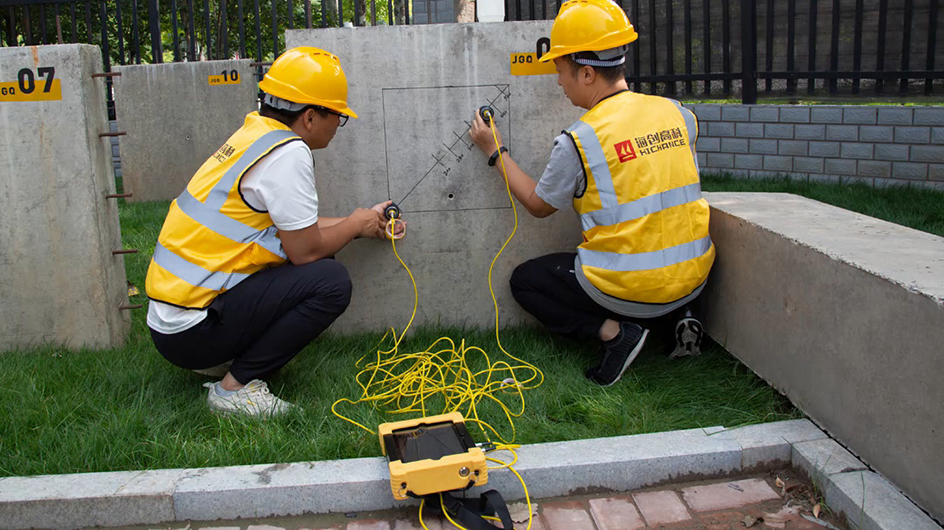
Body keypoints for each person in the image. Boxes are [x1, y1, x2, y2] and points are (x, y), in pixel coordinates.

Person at [145, 47, 404, 416]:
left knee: (321, 260)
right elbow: (306, 251)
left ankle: (227, 360)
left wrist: (361, 223)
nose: (338, 125)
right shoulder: (288, 153)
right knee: (329, 280)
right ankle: (234, 389)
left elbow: (294, 231)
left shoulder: (257, 135)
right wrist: (354, 225)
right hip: (191, 329)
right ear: (311, 117)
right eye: (338, 116)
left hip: (174, 321)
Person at [469, 0, 714, 386]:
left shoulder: (581, 140)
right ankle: (679, 318)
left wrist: (494, 150)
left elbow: (537, 204)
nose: (558, 81)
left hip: (631, 287)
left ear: (586, 73)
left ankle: (617, 334)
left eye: (561, 71)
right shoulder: (677, 113)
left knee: (526, 280)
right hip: (694, 276)